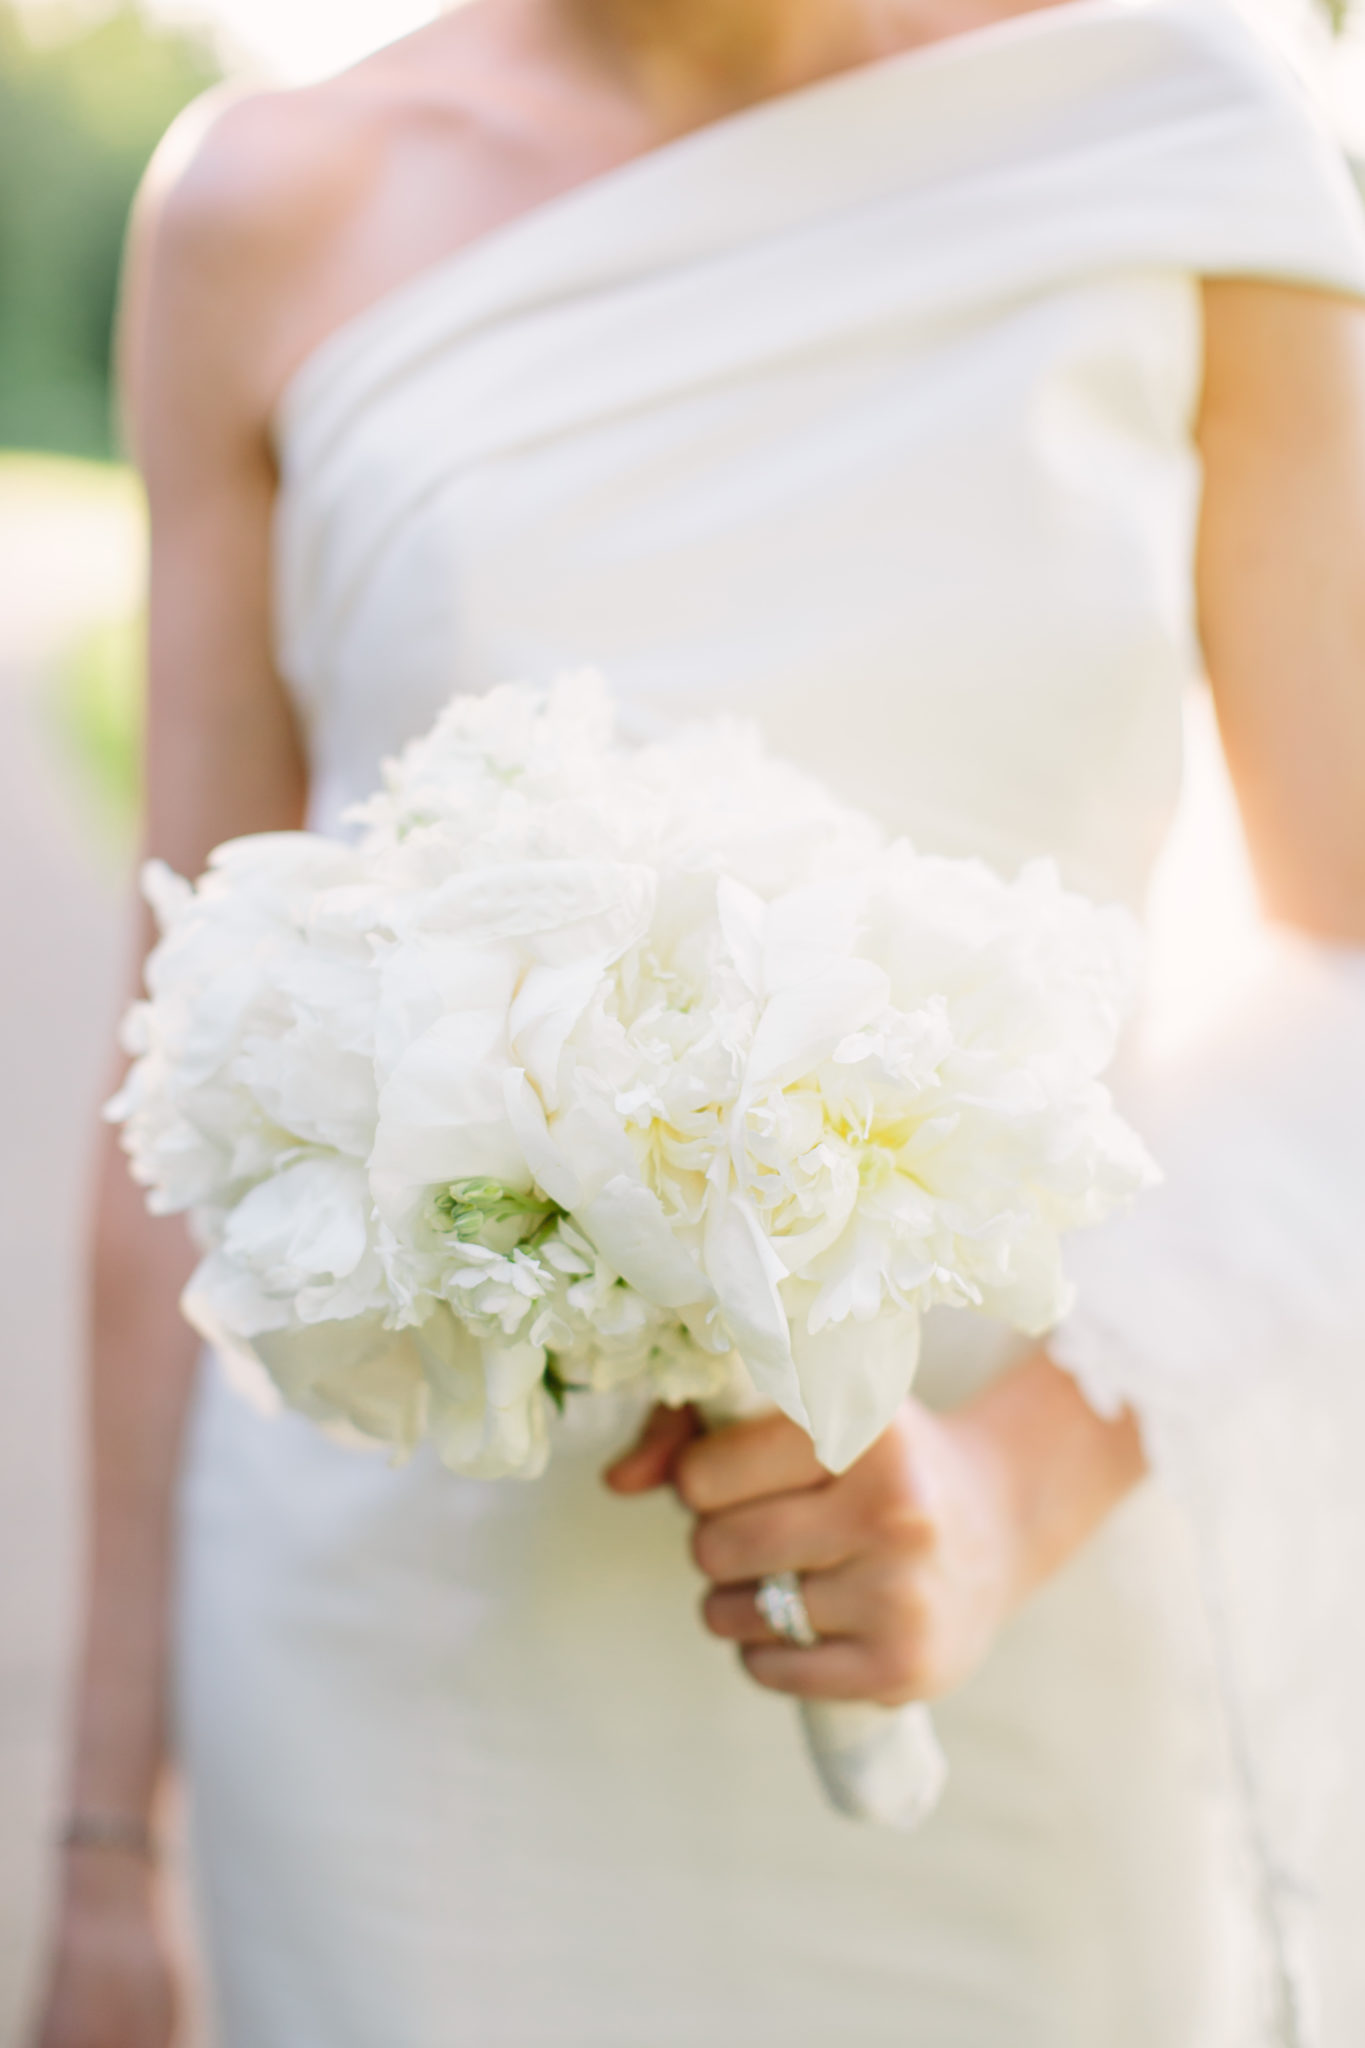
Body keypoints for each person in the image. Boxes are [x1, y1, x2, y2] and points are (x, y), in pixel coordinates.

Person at [33, 0, 1365, 2042]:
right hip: (405, 1675)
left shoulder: (1173, 129)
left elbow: (1338, 970)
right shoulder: (268, 204)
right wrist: (105, 1844)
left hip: (1004, 1660)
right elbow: (173, 1086)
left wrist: (1015, 1479)